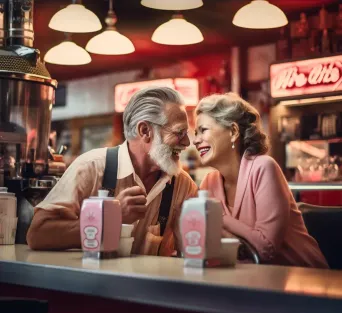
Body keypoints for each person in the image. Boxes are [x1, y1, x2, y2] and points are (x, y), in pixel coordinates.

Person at [27, 87, 198, 256]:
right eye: (179, 132)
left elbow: (191, 253)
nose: (187, 142)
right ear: (145, 131)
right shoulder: (90, 167)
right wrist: (111, 219)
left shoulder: (183, 186)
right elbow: (37, 234)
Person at [193, 92, 328, 268]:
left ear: (233, 132)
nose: (195, 140)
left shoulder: (263, 167)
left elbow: (266, 249)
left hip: (302, 279)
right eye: (195, 133)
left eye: (203, 130)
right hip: (249, 279)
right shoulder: (209, 183)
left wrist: (218, 216)